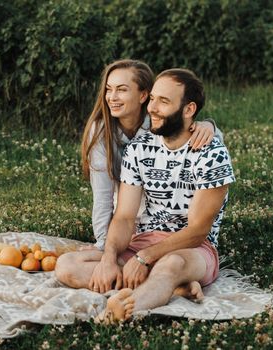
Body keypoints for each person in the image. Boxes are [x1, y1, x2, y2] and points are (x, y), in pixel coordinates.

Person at [56, 68, 235, 323]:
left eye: (164, 102)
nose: (153, 108)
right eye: (153, 99)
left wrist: (144, 258)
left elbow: (198, 231)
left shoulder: (212, 154)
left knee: (170, 265)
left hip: (192, 249)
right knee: (67, 266)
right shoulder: (139, 148)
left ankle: (119, 312)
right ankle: (173, 288)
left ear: (188, 109)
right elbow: (125, 216)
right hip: (144, 240)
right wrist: (108, 257)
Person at [80, 59, 223, 250]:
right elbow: (102, 195)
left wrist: (209, 126)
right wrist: (104, 245)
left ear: (143, 95)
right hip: (125, 213)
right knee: (74, 265)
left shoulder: (158, 123)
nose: (112, 97)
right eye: (108, 89)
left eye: (122, 89)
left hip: (165, 213)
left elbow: (206, 139)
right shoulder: (100, 131)